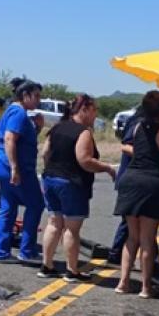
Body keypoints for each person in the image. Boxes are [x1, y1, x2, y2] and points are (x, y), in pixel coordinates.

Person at [114, 90, 159, 298]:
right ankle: (146, 287)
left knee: (132, 237)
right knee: (147, 240)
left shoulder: (138, 127)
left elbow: (148, 152)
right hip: (151, 184)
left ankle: (123, 282)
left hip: (131, 180)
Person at [39, 94, 116, 281]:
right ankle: (72, 270)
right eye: (94, 110)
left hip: (50, 178)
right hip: (71, 182)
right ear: (84, 109)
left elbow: (45, 153)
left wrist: (52, 169)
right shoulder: (83, 132)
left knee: (54, 223)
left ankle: (47, 265)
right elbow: (84, 160)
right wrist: (106, 167)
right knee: (72, 229)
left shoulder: (57, 128)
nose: (95, 115)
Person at [108, 109, 159, 286]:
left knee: (131, 228)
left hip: (132, 181)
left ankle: (119, 266)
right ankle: (150, 277)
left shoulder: (145, 125)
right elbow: (126, 145)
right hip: (139, 182)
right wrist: (149, 155)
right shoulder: (141, 124)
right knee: (145, 236)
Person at [0, 78, 45, 263]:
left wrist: (36, 128)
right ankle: (27, 250)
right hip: (14, 168)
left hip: (4, 166)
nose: (38, 100)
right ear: (25, 95)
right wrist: (15, 167)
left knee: (8, 205)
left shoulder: (14, 112)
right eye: (36, 96)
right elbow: (9, 139)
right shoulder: (18, 114)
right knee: (36, 204)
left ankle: (1, 251)